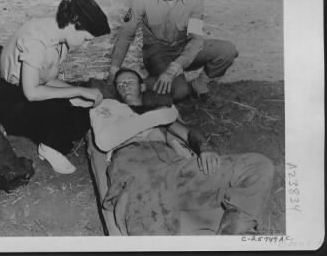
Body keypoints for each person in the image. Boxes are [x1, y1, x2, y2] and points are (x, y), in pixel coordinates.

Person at [90, 68, 274, 235]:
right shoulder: (111, 109)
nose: (124, 86)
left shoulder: (159, 111)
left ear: (142, 86)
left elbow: (187, 133)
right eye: (120, 84)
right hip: (138, 174)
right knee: (150, 233)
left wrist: (204, 147)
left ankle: (231, 234)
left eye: (129, 81)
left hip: (176, 171)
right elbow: (104, 141)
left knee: (257, 165)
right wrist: (154, 118)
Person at [0, 0, 110, 174]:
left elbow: (46, 79)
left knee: (83, 113)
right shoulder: (36, 39)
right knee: (57, 112)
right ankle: (48, 147)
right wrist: (76, 92)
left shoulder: (58, 33)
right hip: (12, 99)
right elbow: (31, 93)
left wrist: (77, 92)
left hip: (30, 91)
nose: (84, 44)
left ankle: (49, 139)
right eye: (86, 38)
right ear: (74, 24)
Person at [107, 0, 239, 102]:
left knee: (227, 50)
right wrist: (114, 69)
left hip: (184, 47)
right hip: (157, 51)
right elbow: (126, 33)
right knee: (180, 91)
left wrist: (175, 67)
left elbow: (196, 38)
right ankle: (141, 85)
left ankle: (199, 85)